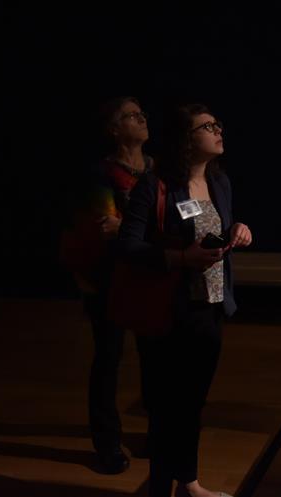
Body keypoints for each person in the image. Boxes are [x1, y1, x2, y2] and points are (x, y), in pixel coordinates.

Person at [118, 103, 252, 497]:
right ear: (186, 139)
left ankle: (189, 483)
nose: (218, 130)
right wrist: (180, 258)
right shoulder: (154, 184)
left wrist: (237, 230)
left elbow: (216, 233)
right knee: (165, 409)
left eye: (218, 124)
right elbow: (127, 247)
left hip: (210, 308)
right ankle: (161, 489)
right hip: (168, 310)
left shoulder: (220, 182)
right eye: (207, 126)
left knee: (192, 404)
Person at [59, 96, 152, 474]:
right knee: (109, 359)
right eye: (131, 115)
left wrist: (134, 226)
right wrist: (143, 226)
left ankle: (157, 433)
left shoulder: (157, 169)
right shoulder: (102, 174)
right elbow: (106, 227)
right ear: (115, 129)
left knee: (155, 358)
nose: (142, 118)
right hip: (110, 279)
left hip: (149, 276)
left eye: (142, 112)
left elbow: (162, 220)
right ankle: (107, 443)